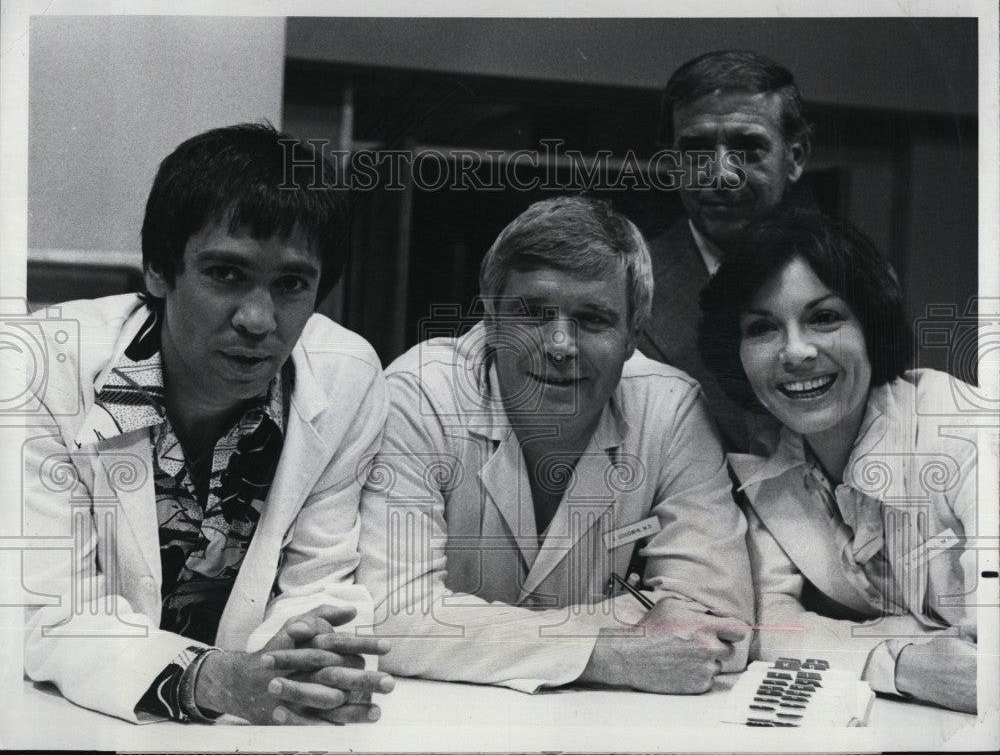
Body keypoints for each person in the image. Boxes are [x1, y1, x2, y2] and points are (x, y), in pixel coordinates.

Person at [20, 123, 396, 724]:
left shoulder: (346, 375)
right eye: (226, 274)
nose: (257, 318)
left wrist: (307, 659)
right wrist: (209, 680)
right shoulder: (40, 365)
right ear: (158, 272)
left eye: (291, 284)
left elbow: (320, 576)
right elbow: (46, 608)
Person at [356, 195, 753, 694]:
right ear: (491, 320)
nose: (560, 345)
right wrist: (611, 650)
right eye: (533, 313)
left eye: (592, 320)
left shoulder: (670, 410)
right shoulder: (421, 395)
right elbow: (389, 616)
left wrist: (469, 631)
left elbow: (719, 623)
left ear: (633, 336)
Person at [698, 208, 978, 713]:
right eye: (762, 328)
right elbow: (769, 627)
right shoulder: (765, 461)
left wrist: (857, 642)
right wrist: (900, 661)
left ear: (871, 325)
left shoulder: (961, 425)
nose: (796, 351)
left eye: (824, 318)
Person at [636, 50, 812, 451]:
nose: (721, 173)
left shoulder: (844, 280)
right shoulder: (623, 283)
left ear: (795, 157)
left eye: (747, 147)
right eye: (696, 149)